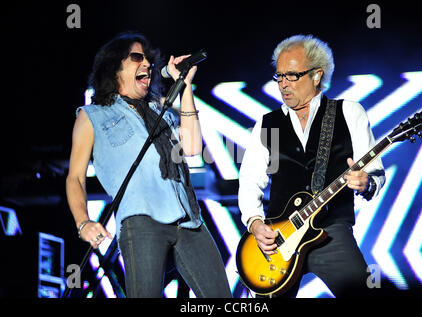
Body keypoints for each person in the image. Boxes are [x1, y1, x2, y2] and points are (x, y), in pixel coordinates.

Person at [66, 32, 231, 298]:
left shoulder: (159, 112)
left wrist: (185, 86)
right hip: (142, 222)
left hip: (189, 220)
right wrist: (83, 222)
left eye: (148, 59)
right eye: (136, 57)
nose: (147, 64)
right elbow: (75, 177)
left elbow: (190, 148)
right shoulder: (92, 115)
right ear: (114, 66)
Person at [238, 34, 385, 298]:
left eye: (291, 76)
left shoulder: (349, 112)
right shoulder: (267, 124)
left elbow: (374, 173)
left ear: (317, 76)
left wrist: (366, 183)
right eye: (279, 76)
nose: (283, 84)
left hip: (330, 232)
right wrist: (255, 223)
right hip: (277, 238)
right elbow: (250, 179)